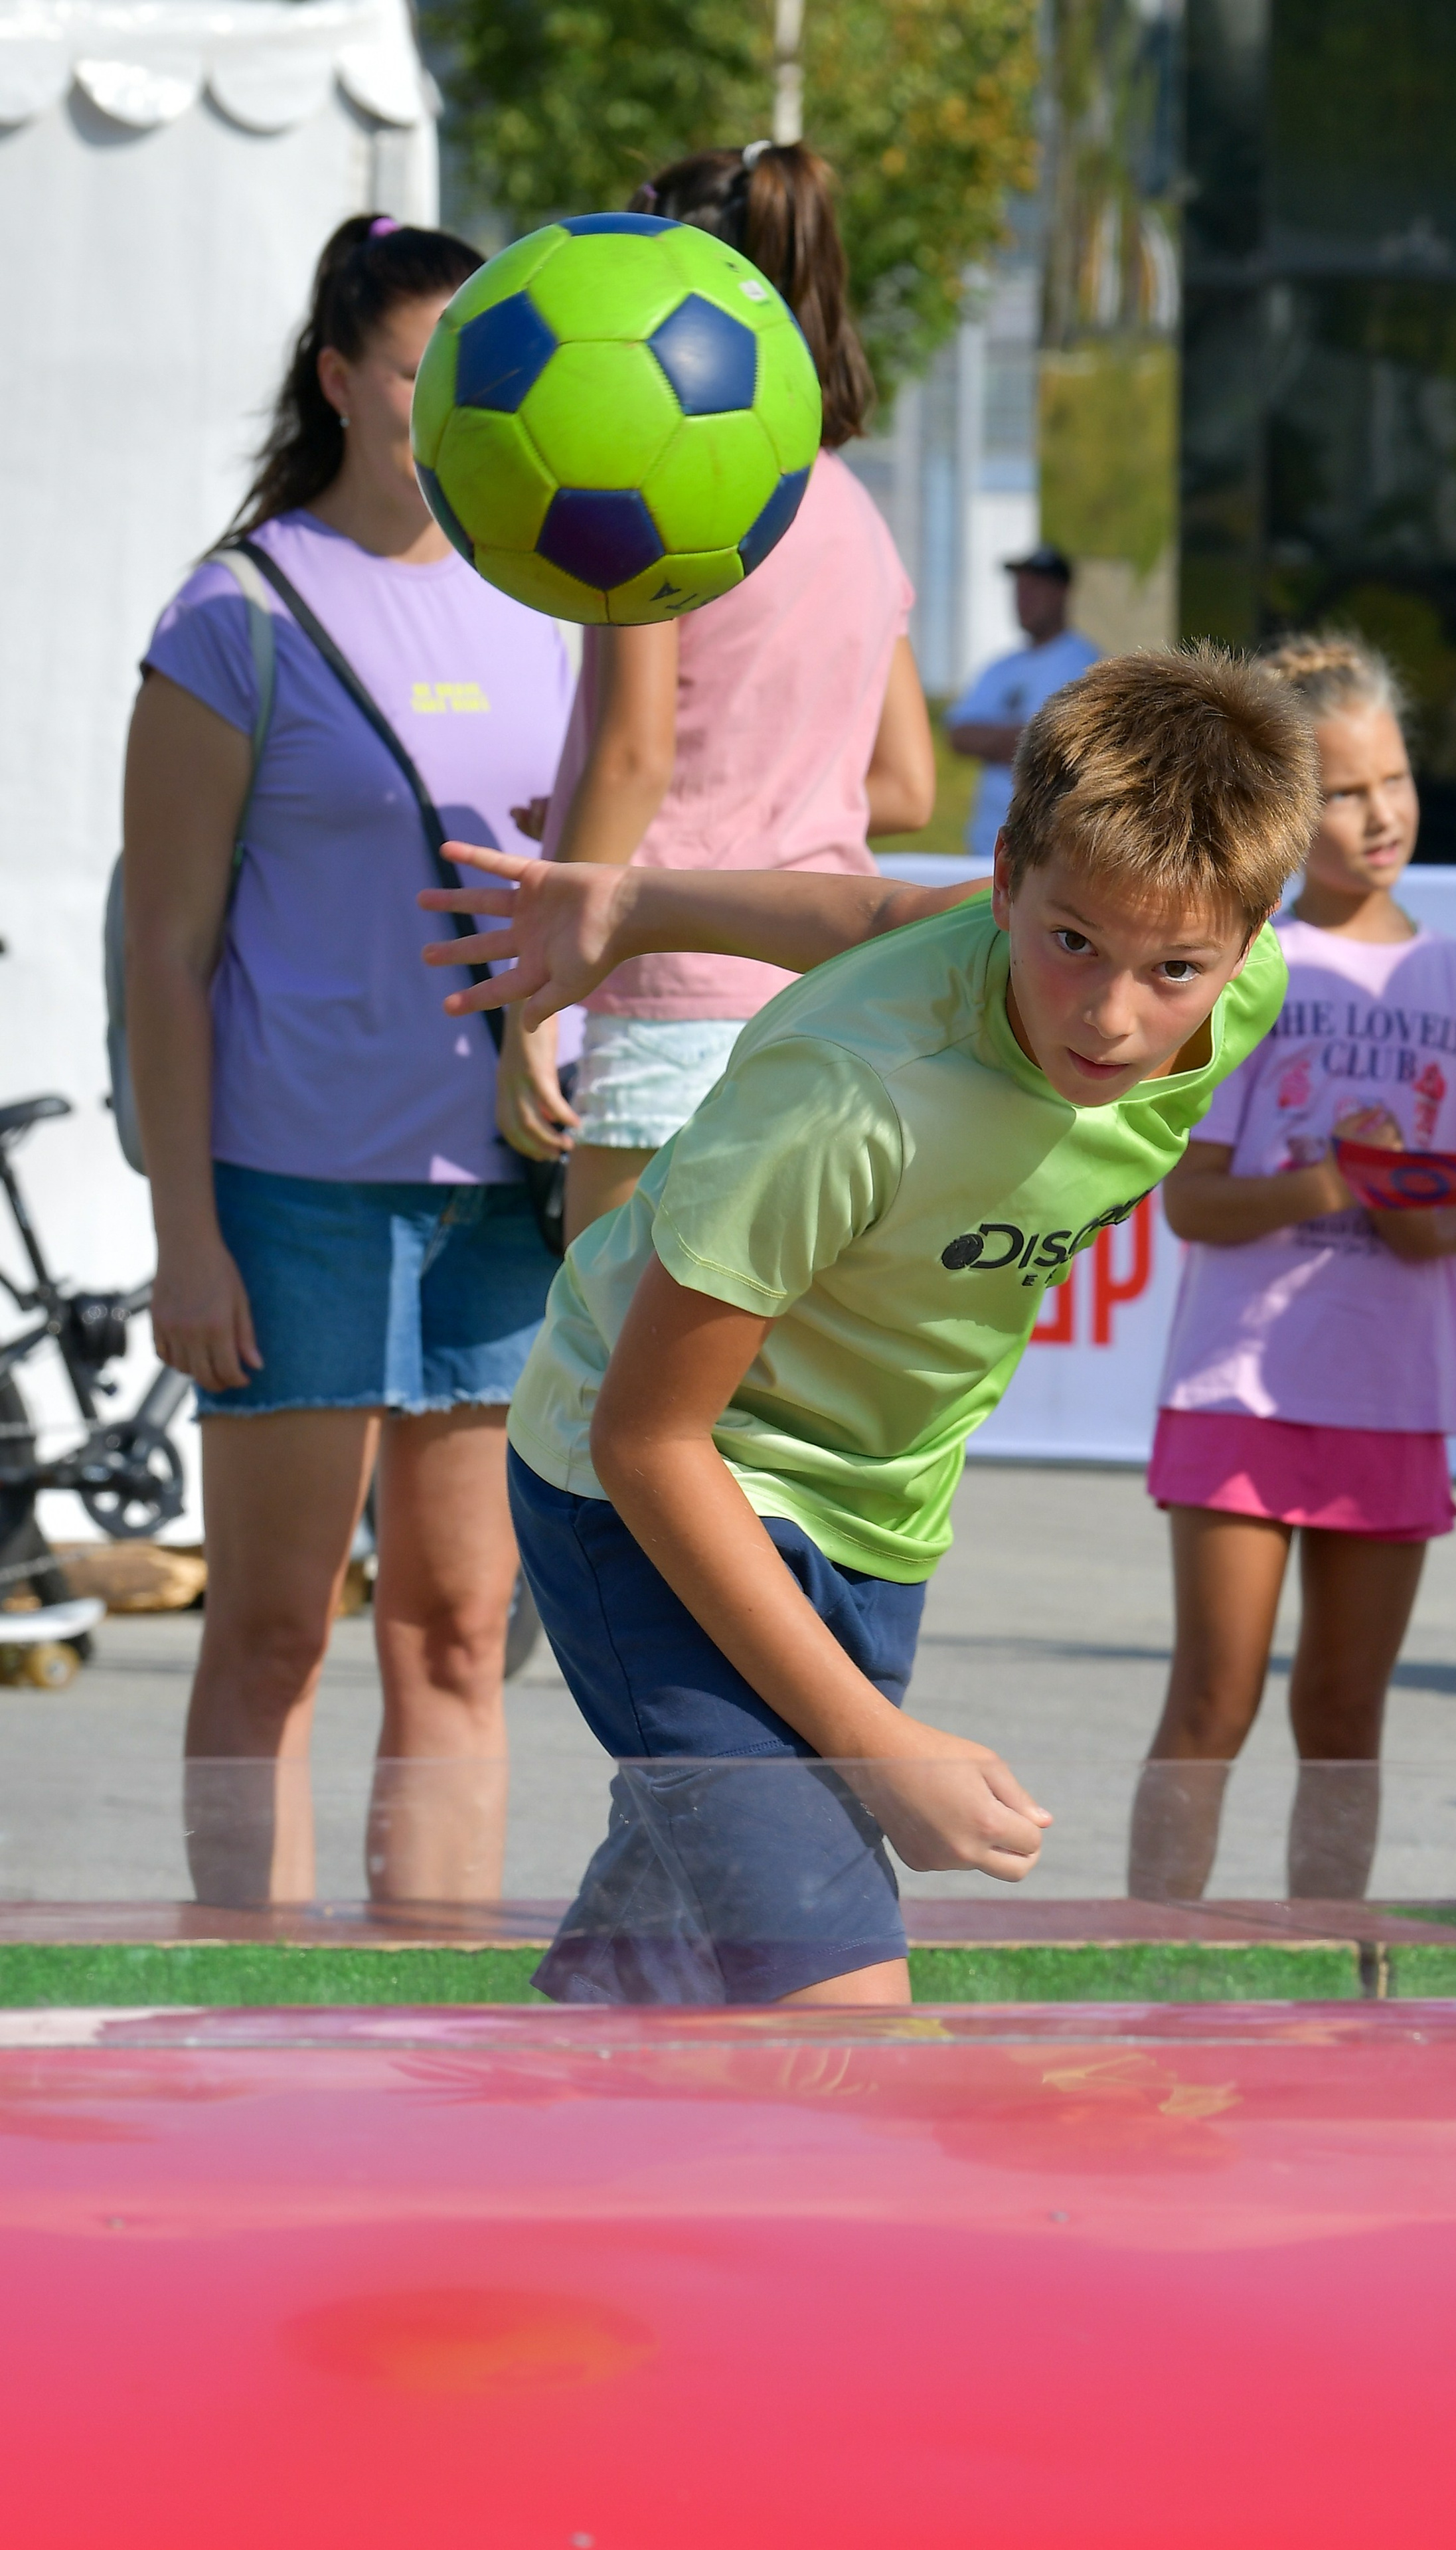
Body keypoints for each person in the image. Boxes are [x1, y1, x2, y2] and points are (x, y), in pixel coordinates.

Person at [424, 647, 1319, 2004]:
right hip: (647, 1490)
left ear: (1245, 948)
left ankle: (534, 2111)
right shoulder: (840, 1097)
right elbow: (645, 1439)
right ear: (1009, 878)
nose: (1110, 1016)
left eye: (1173, 969)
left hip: (875, 1511)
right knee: (843, 2022)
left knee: (665, 1978)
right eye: (1071, 944)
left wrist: (638, 901)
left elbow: (892, 909)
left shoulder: (1227, 978)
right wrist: (876, 1746)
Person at [123, 215, 575, 1905]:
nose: (452, 407)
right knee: (271, 1633)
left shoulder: (553, 601)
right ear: (335, 378)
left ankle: (430, 2011)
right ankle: (247, 2008)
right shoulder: (232, 612)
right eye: (417, 372)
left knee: (459, 1631)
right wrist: (185, 1235)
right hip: (292, 1192)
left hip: (503, 1198)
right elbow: (164, 951)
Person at [1129, 635, 1456, 1903]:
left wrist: (1441, 1207)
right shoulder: (1246, 969)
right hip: (1238, 1389)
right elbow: (1190, 1202)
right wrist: (1337, 1181)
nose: (1381, 814)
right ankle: (1151, 1965)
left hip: (1392, 1392)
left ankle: (1328, 1976)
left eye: (1394, 780)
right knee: (1213, 1700)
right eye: (1346, 792)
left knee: (1346, 1717)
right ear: (1289, 811)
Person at [503, 139, 935, 1244]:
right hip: (827, 999)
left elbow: (635, 756)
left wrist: (531, 1007)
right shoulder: (851, 509)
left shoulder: (665, 483)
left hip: (678, 1000)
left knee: (605, 1349)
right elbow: (902, 785)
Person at [946, 545, 1099, 862]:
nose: (1022, 598)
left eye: (1034, 588)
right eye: (1019, 588)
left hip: (1047, 851)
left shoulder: (1085, 665)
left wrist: (1006, 738)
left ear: (1061, 592)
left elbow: (1063, 745)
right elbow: (959, 734)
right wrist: (1024, 738)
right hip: (984, 847)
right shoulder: (1001, 667)